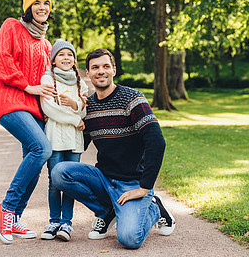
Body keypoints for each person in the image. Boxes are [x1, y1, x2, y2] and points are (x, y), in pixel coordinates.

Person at [51, 48, 176, 249]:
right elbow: (79, 145)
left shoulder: (132, 98)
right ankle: (107, 210)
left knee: (129, 239)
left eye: (105, 66)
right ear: (88, 73)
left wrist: (144, 187)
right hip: (104, 179)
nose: (101, 71)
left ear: (114, 70)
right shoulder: (87, 107)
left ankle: (154, 209)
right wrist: (66, 122)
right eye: (95, 68)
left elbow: (156, 141)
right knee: (59, 173)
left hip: (133, 183)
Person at [0, 0, 56, 244]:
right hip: (9, 100)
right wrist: (30, 86)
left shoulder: (46, 43)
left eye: (46, 3)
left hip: (34, 109)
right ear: (28, 7)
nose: (42, 7)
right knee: (42, 148)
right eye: (37, 3)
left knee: (36, 158)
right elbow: (3, 62)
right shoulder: (11, 26)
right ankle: (6, 208)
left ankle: (15, 217)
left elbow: (51, 81)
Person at [39, 39, 89, 242]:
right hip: (54, 137)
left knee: (70, 181)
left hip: (74, 140)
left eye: (70, 55)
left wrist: (76, 105)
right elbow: (49, 108)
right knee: (54, 181)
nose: (66, 58)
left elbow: (85, 112)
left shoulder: (81, 83)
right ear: (53, 60)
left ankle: (66, 223)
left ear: (74, 60)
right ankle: (53, 221)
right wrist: (74, 117)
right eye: (61, 54)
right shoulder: (47, 80)